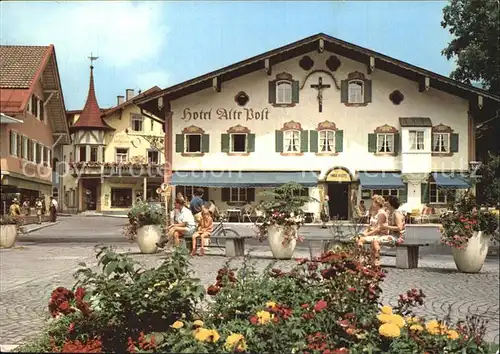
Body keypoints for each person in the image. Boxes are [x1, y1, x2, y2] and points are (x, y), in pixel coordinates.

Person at [356, 194, 391, 267]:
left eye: (374, 202)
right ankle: (360, 257)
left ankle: (362, 259)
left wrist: (367, 234)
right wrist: (364, 232)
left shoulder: (382, 213)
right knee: (358, 238)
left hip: (380, 234)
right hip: (373, 233)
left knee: (362, 240)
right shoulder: (374, 213)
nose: (372, 204)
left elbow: (378, 228)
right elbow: (370, 226)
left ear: (378, 203)